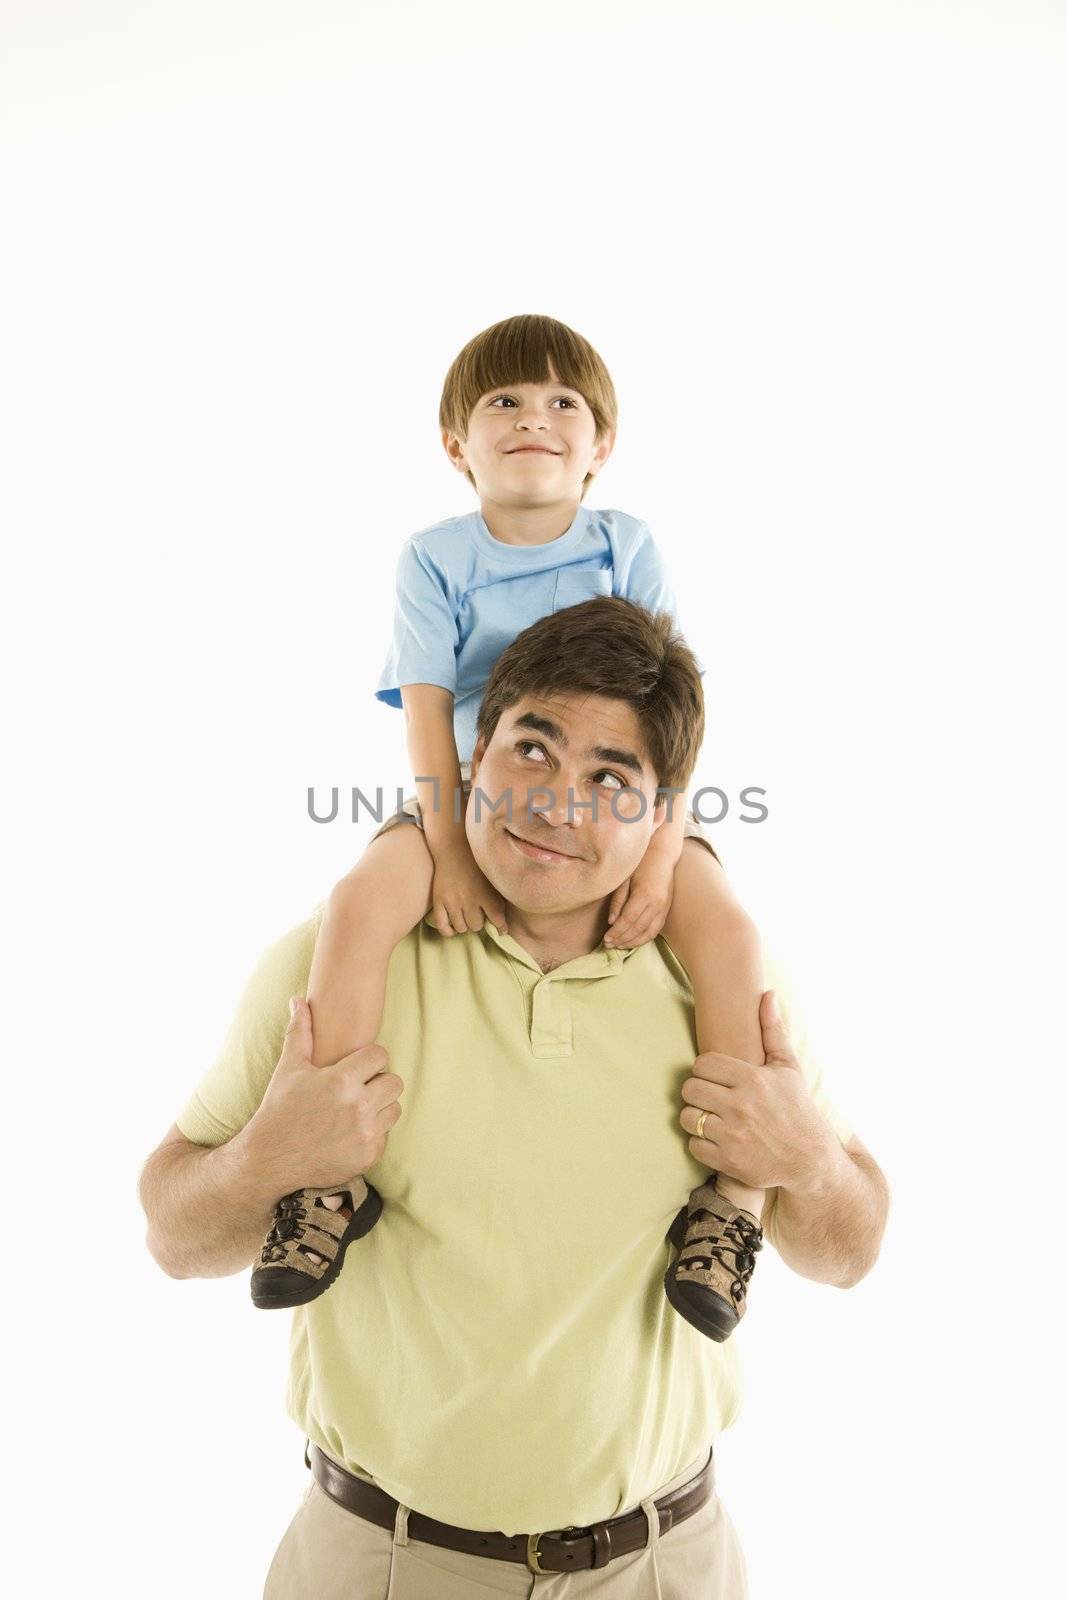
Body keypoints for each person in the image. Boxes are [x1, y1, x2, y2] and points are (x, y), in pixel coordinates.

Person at [139, 597, 890, 1599]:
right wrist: (270, 1157)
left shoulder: (732, 992)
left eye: (608, 780)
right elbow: (172, 1235)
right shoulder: (331, 966)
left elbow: (847, 1251)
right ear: (473, 754)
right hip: (380, 1563)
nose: (555, 803)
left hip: (661, 1565)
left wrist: (801, 1158)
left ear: (662, 819)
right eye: (531, 751)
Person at [248, 312, 769, 1344]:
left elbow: (675, 708)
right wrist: (443, 843)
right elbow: (434, 713)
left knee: (727, 932)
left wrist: (661, 853)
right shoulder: (434, 558)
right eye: (504, 402)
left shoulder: (625, 542)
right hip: (473, 793)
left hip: (631, 800)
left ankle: (734, 1201)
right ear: (457, 444)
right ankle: (328, 1179)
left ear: (600, 445)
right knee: (359, 903)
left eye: (561, 403)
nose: (534, 418)